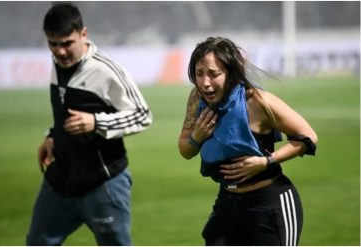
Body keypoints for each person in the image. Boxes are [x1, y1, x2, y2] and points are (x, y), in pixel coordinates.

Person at [26, 3, 152, 246]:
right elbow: (65, 109)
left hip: (103, 184)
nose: (60, 51)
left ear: (83, 34)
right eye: (53, 44)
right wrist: (53, 136)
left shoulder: (105, 70)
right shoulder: (58, 64)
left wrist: (95, 122)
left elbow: (142, 115)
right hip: (60, 180)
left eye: (66, 43)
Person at [178, 37, 317, 246]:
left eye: (214, 74)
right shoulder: (197, 100)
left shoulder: (258, 101)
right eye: (199, 74)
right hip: (228, 203)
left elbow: (308, 137)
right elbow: (185, 150)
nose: (205, 83)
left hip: (270, 203)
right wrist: (196, 137)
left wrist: (266, 161)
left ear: (231, 73)